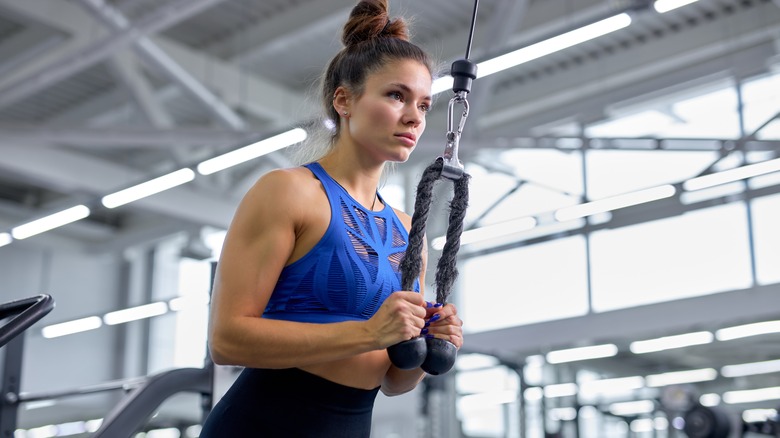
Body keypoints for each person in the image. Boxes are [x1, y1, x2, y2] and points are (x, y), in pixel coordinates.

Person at [200, 0, 464, 436]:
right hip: (263, 423)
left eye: (424, 104)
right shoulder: (288, 192)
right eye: (396, 95)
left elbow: (393, 380)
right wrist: (369, 333)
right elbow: (227, 341)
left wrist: (434, 341)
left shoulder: (406, 230)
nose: (414, 116)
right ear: (344, 100)